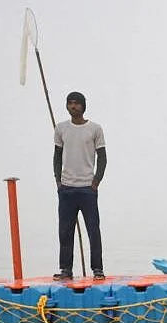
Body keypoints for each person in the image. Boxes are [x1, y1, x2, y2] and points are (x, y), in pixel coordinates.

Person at [53, 91, 107, 281]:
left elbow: (102, 157)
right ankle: (66, 269)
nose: (73, 107)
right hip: (66, 187)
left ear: (83, 106)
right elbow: (57, 156)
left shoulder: (95, 129)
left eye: (76, 103)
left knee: (93, 229)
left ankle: (97, 268)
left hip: (87, 188)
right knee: (65, 230)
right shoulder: (61, 128)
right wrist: (58, 181)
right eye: (70, 103)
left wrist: (96, 181)